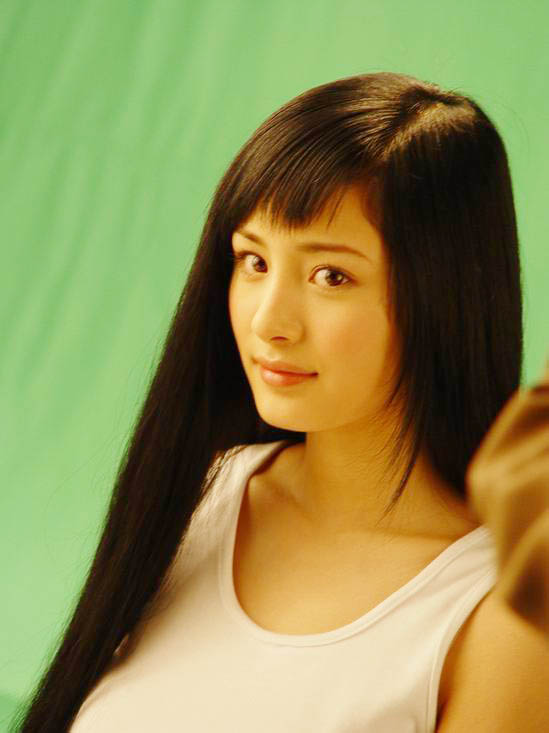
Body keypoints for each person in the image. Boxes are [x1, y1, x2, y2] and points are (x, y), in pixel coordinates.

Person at [13, 71, 548, 733]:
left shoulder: (500, 614)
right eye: (254, 261)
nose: (269, 320)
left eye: (331, 275)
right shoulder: (201, 494)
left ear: (444, 297)